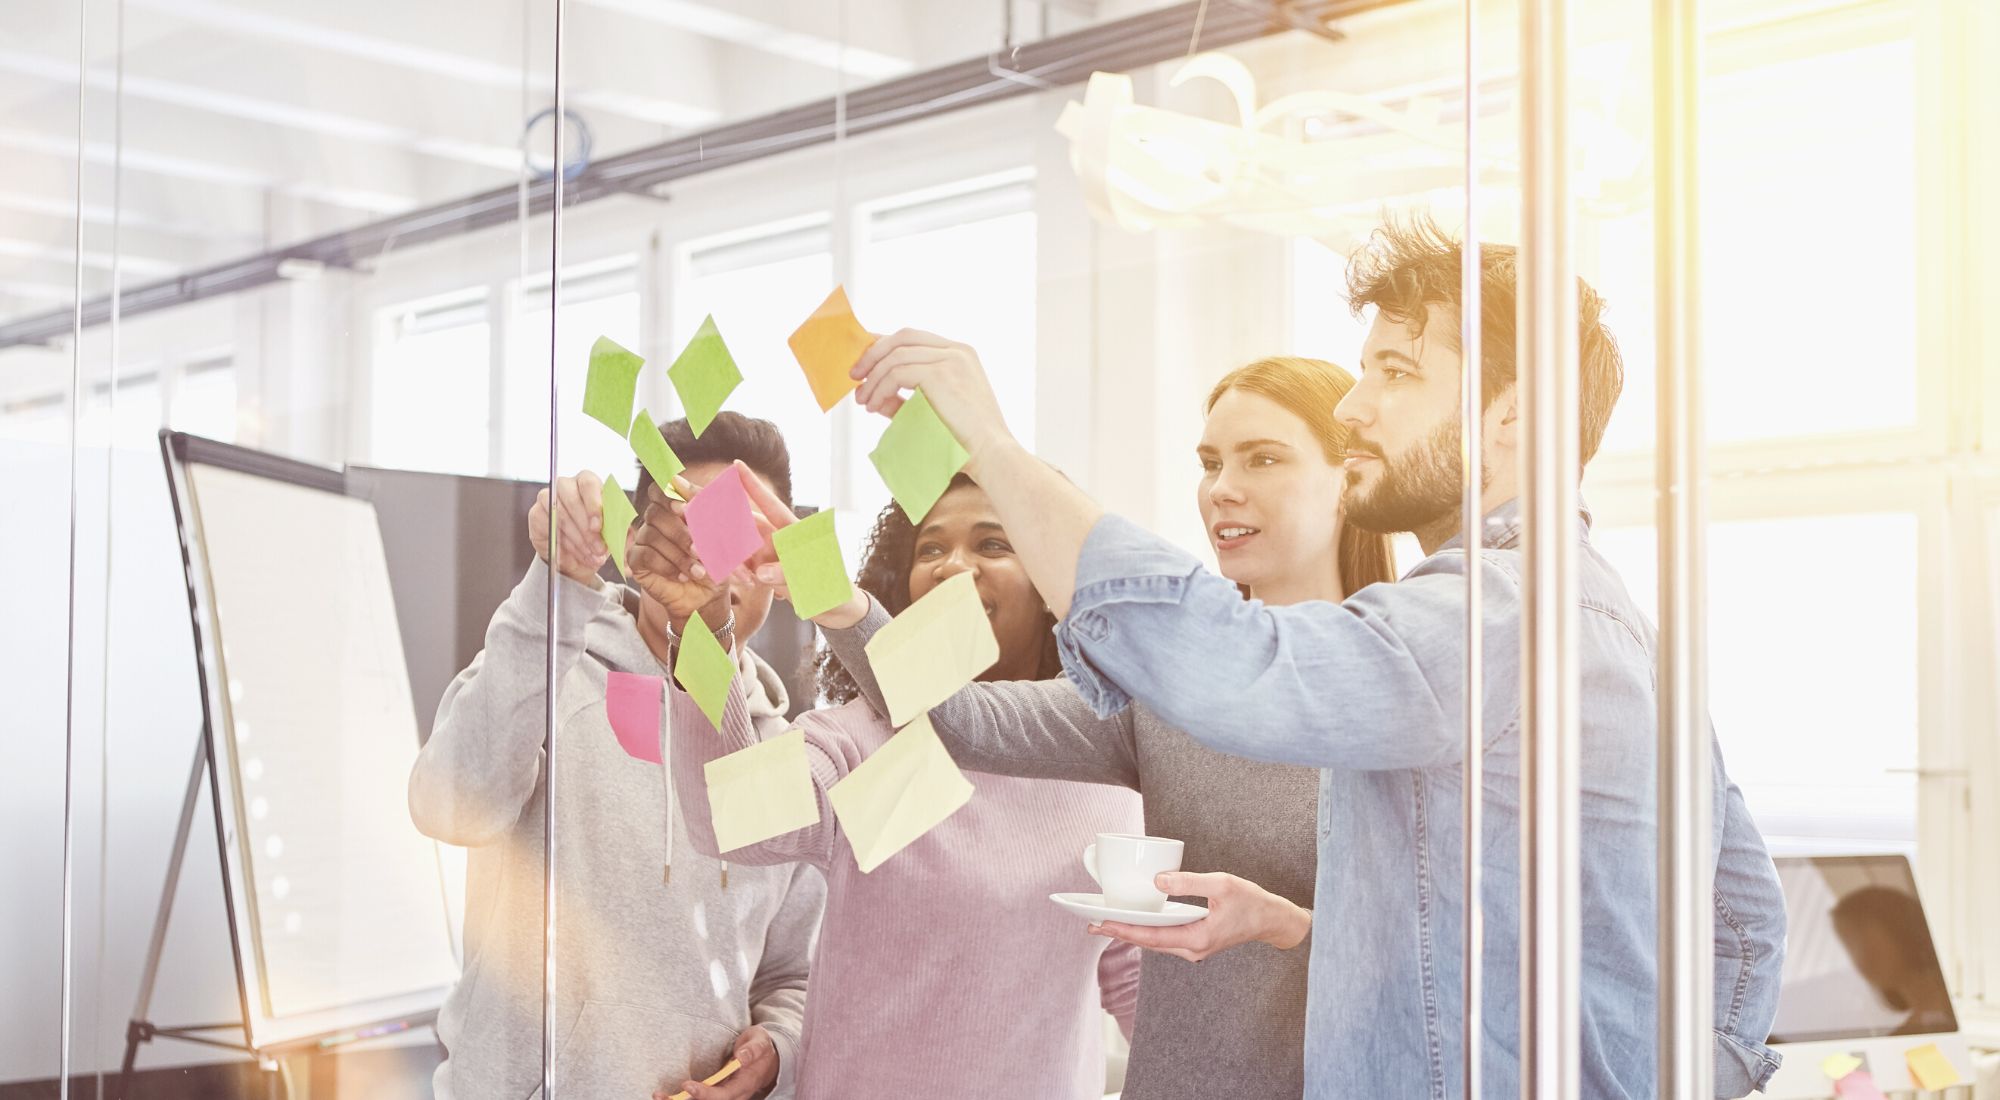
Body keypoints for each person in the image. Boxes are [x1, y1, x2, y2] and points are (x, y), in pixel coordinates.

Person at [840, 217, 1790, 1098]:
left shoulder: (1499, 615)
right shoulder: (1598, 618)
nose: (1354, 404)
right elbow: (1744, 921)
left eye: (1395, 372)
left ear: (1512, 414)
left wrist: (997, 446)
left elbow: (1237, 662)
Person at [791, 357, 1396, 1096]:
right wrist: (835, 600)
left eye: (1263, 458)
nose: (1222, 489)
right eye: (1209, 463)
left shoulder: (1401, 689)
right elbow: (961, 717)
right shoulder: (1166, 690)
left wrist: (1288, 926)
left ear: (1350, 478)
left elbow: (1453, 965)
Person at [644, 470, 1143, 1099]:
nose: (953, 566)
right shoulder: (860, 740)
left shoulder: (1104, 767)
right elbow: (732, 819)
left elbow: (1139, 991)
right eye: (930, 549)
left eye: (993, 545)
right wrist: (704, 630)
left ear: (1051, 585)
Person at [409, 413, 823, 1100]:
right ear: (635, 543)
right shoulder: (551, 666)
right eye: (685, 528)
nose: (707, 560)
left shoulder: (783, 753)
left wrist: (774, 1054)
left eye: (737, 536)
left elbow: (792, 976)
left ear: (775, 571)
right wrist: (556, 587)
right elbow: (448, 807)